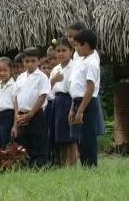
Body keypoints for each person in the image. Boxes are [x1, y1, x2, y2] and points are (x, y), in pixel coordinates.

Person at [68, 29, 102, 168]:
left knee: (87, 137)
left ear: (86, 45)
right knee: (80, 138)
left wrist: (81, 110)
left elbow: (90, 88)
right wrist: (72, 108)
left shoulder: (92, 62)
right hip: (77, 101)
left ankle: (91, 166)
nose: (76, 49)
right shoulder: (82, 60)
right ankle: (85, 165)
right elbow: (76, 87)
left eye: (77, 46)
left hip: (86, 102)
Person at [12, 47, 51, 167]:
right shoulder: (20, 77)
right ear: (23, 62)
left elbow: (42, 96)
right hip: (22, 114)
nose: (30, 64)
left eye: (33, 61)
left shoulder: (42, 77)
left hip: (36, 114)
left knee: (38, 140)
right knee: (23, 142)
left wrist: (31, 114)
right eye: (27, 61)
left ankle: (39, 166)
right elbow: (16, 97)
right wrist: (17, 114)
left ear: (39, 61)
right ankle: (25, 166)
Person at [50, 37, 78, 166]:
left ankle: (72, 163)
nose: (61, 53)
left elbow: (75, 89)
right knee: (59, 135)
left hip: (69, 100)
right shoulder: (55, 69)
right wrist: (52, 81)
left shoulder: (74, 68)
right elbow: (48, 91)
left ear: (71, 51)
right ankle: (62, 163)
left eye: (64, 50)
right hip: (57, 102)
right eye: (58, 51)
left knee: (71, 136)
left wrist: (73, 107)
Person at [0, 57, 16, 150]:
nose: (2, 73)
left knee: (7, 144)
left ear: (11, 70)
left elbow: (16, 107)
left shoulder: (14, 86)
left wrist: (15, 126)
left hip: (9, 117)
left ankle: (8, 164)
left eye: (5, 70)